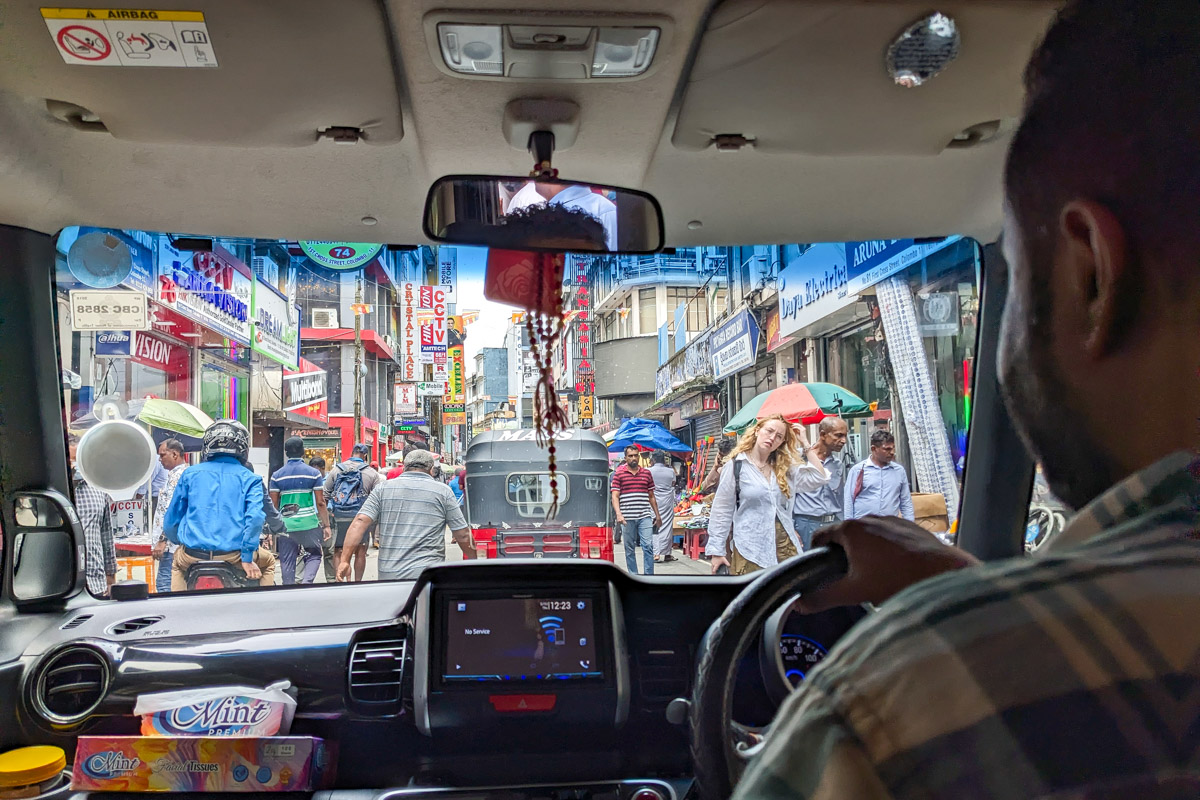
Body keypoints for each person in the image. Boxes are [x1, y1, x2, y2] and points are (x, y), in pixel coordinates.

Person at [734, 3, 1200, 798]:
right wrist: (968, 585)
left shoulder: (896, 708)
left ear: (1090, 274)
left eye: (1015, 270)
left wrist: (970, 612)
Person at [706, 415, 829, 576]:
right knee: (753, 590)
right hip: (750, 548)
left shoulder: (784, 467)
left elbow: (819, 478)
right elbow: (722, 510)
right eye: (769, 431)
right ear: (757, 431)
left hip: (785, 546)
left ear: (782, 442)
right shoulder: (737, 465)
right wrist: (717, 551)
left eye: (779, 436)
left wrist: (805, 443)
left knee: (789, 589)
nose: (772, 438)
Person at [162, 419, 277, 589]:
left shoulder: (189, 474)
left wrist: (181, 541)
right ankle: (265, 606)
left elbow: (171, 521)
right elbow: (255, 519)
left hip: (192, 556)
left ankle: (180, 604)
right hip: (235, 557)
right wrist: (246, 558)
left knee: (177, 565)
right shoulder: (251, 479)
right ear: (243, 447)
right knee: (269, 563)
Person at [337, 449, 475, 581]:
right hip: (428, 575)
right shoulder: (443, 491)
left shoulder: (382, 489)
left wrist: (345, 560)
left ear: (404, 467)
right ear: (431, 469)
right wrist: (475, 564)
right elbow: (462, 535)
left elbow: (360, 522)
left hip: (390, 575)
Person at [270, 436, 331, 585]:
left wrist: (272, 528)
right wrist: (326, 525)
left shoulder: (277, 476)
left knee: (287, 560)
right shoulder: (313, 473)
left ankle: (289, 589)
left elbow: (273, 505)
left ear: (286, 453)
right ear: (303, 451)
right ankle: (306, 582)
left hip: (286, 525)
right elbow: (320, 503)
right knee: (314, 555)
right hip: (309, 524)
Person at [324, 443, 382, 582]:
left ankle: (341, 581)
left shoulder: (336, 470)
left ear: (352, 453)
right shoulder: (371, 473)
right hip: (361, 517)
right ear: (365, 456)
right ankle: (357, 583)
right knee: (361, 551)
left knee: (339, 551)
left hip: (339, 517)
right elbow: (378, 498)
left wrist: (327, 519)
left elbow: (325, 494)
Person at [68, 433, 116, 597]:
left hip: (94, 582)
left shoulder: (98, 489)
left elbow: (106, 534)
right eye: (70, 461)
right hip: (61, 584)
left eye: (77, 460)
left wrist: (110, 574)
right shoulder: (54, 493)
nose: (74, 466)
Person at [791, 417, 849, 549]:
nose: (844, 441)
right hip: (807, 524)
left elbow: (840, 497)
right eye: (838, 435)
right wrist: (791, 526)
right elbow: (789, 496)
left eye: (845, 436)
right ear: (823, 435)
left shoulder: (837, 464)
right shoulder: (798, 459)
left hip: (833, 523)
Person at [610, 446, 662, 575]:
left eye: (635, 455)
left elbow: (651, 496)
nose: (633, 458)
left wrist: (657, 515)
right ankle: (634, 575)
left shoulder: (646, 473)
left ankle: (649, 576)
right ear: (625, 458)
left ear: (638, 456)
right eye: (630, 456)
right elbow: (615, 496)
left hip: (645, 516)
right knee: (629, 548)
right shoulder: (619, 474)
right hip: (627, 518)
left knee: (648, 546)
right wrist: (619, 514)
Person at [843, 430, 914, 521]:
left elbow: (906, 502)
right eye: (887, 449)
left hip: (889, 525)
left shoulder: (899, 471)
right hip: (863, 525)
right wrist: (849, 526)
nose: (892, 452)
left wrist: (910, 526)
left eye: (893, 448)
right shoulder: (858, 470)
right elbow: (848, 500)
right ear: (874, 449)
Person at [150, 438, 188, 593]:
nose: (160, 460)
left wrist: (162, 540)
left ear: (174, 454)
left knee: (164, 586)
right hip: (176, 544)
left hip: (170, 546)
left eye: (162, 455)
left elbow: (173, 511)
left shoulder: (178, 477)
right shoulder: (180, 475)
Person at [309, 455, 337, 583]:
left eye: (317, 470)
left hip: (326, 516)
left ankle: (331, 579)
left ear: (323, 468)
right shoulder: (308, 480)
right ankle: (303, 580)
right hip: (311, 516)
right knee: (309, 550)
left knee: (329, 550)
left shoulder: (329, 480)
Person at [648, 451, 678, 563]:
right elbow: (673, 483)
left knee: (655, 526)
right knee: (667, 526)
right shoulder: (670, 471)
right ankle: (667, 553)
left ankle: (656, 553)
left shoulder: (649, 471)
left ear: (654, 460)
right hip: (666, 501)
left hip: (653, 500)